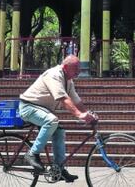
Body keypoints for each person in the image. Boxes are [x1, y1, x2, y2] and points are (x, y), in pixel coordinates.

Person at [18, 55, 97, 183]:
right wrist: (79, 115)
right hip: (28, 107)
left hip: (43, 110)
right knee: (52, 120)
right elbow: (63, 98)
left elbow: (76, 100)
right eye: (75, 69)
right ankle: (32, 153)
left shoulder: (68, 81)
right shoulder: (54, 75)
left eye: (79, 69)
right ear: (65, 67)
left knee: (59, 131)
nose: (78, 72)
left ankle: (59, 170)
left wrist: (88, 113)